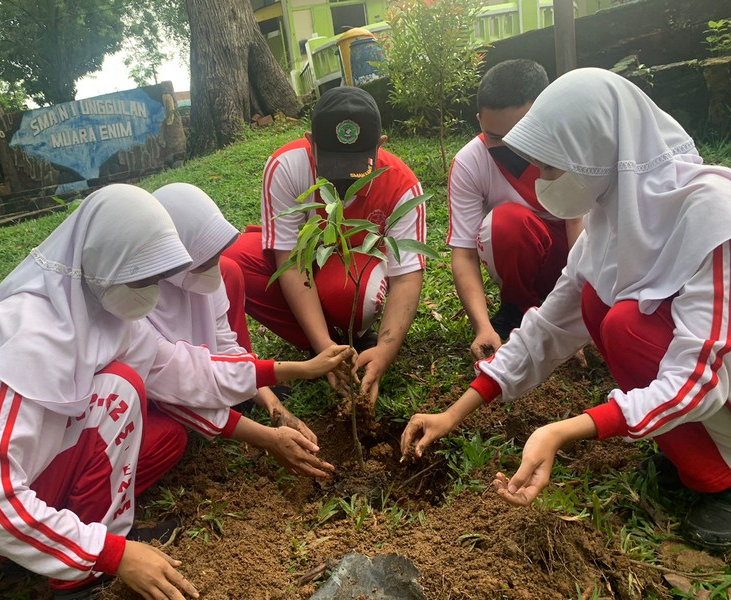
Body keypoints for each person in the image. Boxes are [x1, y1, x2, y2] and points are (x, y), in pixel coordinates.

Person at [401, 68, 731, 550]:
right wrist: (454, 412)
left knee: (626, 326)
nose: (542, 180)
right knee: (597, 301)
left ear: (594, 151)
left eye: (551, 168)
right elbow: (547, 328)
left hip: (715, 379)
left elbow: (697, 379)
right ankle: (689, 445)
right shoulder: (612, 220)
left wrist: (561, 431)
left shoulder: (713, 217)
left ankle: (720, 480)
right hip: (708, 381)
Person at [0, 184, 201, 599]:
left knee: (163, 438)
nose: (152, 290)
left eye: (157, 277)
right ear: (105, 262)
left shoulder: (93, 311)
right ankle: (79, 578)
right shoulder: (33, 337)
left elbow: (182, 369)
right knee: (118, 391)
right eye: (143, 276)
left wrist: (280, 375)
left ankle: (69, 543)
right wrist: (113, 555)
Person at [223, 86, 426, 404]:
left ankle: (357, 339)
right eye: (331, 165)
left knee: (348, 293)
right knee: (233, 262)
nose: (345, 181)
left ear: (380, 146)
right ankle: (326, 344)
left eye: (359, 167)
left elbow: (407, 275)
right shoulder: (286, 167)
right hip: (304, 261)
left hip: (353, 267)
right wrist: (323, 349)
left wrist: (386, 351)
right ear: (309, 142)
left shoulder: (402, 185)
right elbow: (289, 259)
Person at [145, 182, 350, 478]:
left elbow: (226, 347)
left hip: (193, 374)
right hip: (149, 395)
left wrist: (275, 408)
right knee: (170, 434)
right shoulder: (136, 309)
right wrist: (268, 437)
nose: (213, 264)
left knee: (229, 270)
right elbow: (178, 386)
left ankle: (238, 393)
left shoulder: (200, 277)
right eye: (204, 256)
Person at [448, 59, 584, 359]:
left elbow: (579, 223)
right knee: (505, 223)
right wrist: (482, 326)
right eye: (495, 136)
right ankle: (521, 310)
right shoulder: (471, 161)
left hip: (585, 255)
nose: (512, 146)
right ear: (480, 119)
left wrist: (576, 311)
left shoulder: (575, 142)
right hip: (532, 256)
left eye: (521, 131)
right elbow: (464, 253)